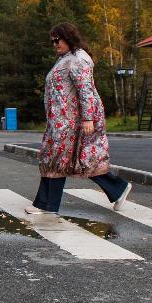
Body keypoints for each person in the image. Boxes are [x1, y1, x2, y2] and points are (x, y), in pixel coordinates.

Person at [26, 22, 131, 215]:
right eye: (53, 41)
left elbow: (85, 89)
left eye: (59, 39)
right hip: (61, 120)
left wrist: (88, 118)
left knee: (64, 158)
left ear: (69, 37)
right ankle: (117, 189)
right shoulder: (66, 58)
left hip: (74, 120)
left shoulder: (78, 59)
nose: (55, 44)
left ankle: (46, 204)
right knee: (65, 159)